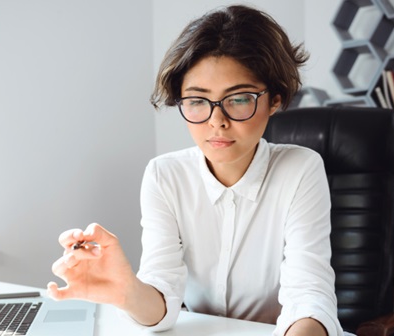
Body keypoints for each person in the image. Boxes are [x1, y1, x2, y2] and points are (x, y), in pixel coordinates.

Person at [47, 5, 343, 336]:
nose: (217, 121)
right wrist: (127, 291)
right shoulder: (164, 175)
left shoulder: (300, 169)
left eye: (239, 99)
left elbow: (309, 297)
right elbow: (162, 294)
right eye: (198, 101)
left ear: (274, 100)